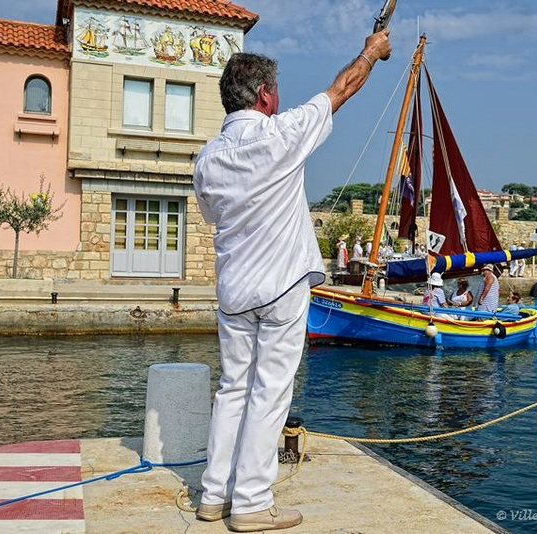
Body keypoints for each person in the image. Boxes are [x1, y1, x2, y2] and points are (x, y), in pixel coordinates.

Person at [193, 29, 392, 532]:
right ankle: (252, 505)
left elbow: (214, 215)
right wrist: (372, 51)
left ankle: (214, 496)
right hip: (281, 287)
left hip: (234, 291)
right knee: (269, 392)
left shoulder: (207, 159)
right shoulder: (282, 134)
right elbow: (343, 87)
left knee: (232, 388)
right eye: (275, 89)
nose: (279, 95)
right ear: (265, 95)